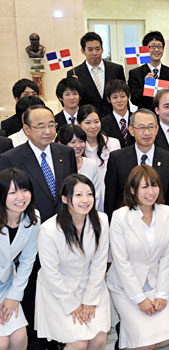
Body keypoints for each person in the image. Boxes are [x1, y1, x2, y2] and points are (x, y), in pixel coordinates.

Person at [0, 105, 76, 350]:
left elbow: (69, 194)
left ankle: (60, 336)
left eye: (52, 124)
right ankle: (37, 339)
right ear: (26, 129)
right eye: (40, 126)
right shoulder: (10, 158)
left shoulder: (65, 152)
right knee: (33, 290)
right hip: (29, 235)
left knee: (60, 287)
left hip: (62, 236)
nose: (48, 130)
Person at [35, 174, 110, 349]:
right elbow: (51, 273)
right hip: (59, 292)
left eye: (89, 194)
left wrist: (90, 300)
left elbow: (100, 263)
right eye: (78, 195)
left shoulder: (102, 221)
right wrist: (73, 305)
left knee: (99, 339)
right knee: (79, 343)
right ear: (65, 199)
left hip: (91, 288)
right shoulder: (49, 230)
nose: (85, 200)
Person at [106, 165, 169, 349]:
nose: (151, 192)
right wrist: (139, 298)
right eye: (144, 187)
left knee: (164, 339)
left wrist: (162, 293)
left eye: (154, 185)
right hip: (125, 288)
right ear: (132, 189)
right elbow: (121, 262)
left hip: (155, 285)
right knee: (144, 344)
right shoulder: (119, 217)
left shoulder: (167, 212)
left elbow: (167, 256)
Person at [104, 109, 169, 218]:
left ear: (157, 129)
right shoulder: (117, 159)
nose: (147, 133)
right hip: (125, 222)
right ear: (131, 130)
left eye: (151, 127)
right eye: (141, 128)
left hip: (159, 223)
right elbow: (111, 199)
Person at [0, 168, 39, 350]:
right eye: (13, 192)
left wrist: (14, 297)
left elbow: (27, 261)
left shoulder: (33, 218)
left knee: (19, 339)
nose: (20, 197)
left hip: (7, 286)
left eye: (24, 190)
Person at [68, 32, 126, 116]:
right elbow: (70, 102)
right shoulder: (74, 73)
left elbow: (124, 94)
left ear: (102, 49)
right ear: (83, 51)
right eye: (90, 50)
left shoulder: (116, 69)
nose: (94, 53)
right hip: (88, 119)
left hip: (113, 117)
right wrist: (75, 87)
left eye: (97, 49)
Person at [77, 104, 121, 211]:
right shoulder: (77, 148)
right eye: (87, 123)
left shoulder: (113, 143)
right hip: (86, 201)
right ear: (79, 124)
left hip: (111, 198)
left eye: (96, 121)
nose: (93, 126)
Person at [128, 31, 169, 111]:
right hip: (145, 116)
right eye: (153, 47)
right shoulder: (135, 73)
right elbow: (134, 100)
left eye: (159, 46)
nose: (157, 50)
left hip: (166, 116)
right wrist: (146, 85)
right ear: (145, 49)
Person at [55, 125, 102, 209]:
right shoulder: (56, 166)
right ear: (60, 144)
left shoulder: (91, 164)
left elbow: (96, 194)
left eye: (81, 141)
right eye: (73, 142)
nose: (78, 145)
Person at [100, 79, 134, 148]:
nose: (119, 100)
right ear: (109, 99)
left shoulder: (137, 118)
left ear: (128, 97)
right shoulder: (103, 123)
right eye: (115, 97)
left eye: (122, 96)